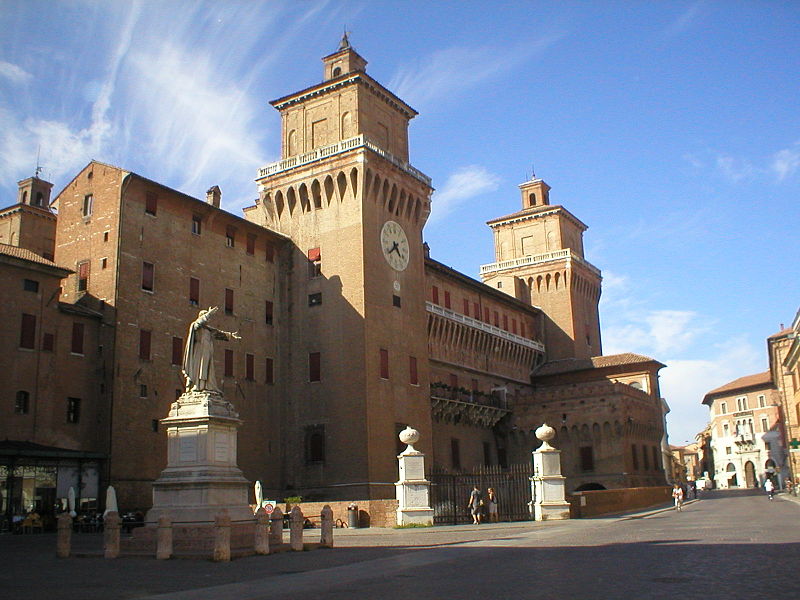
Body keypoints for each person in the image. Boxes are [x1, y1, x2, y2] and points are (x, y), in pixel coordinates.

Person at [182, 307, 240, 393]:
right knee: (201, 368)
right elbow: (199, 322)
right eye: (206, 316)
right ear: (201, 316)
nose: (208, 319)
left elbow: (218, 333)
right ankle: (198, 386)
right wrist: (209, 314)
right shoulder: (195, 325)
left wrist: (231, 335)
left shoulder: (208, 329)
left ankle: (206, 386)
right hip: (200, 350)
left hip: (207, 351)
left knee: (207, 369)